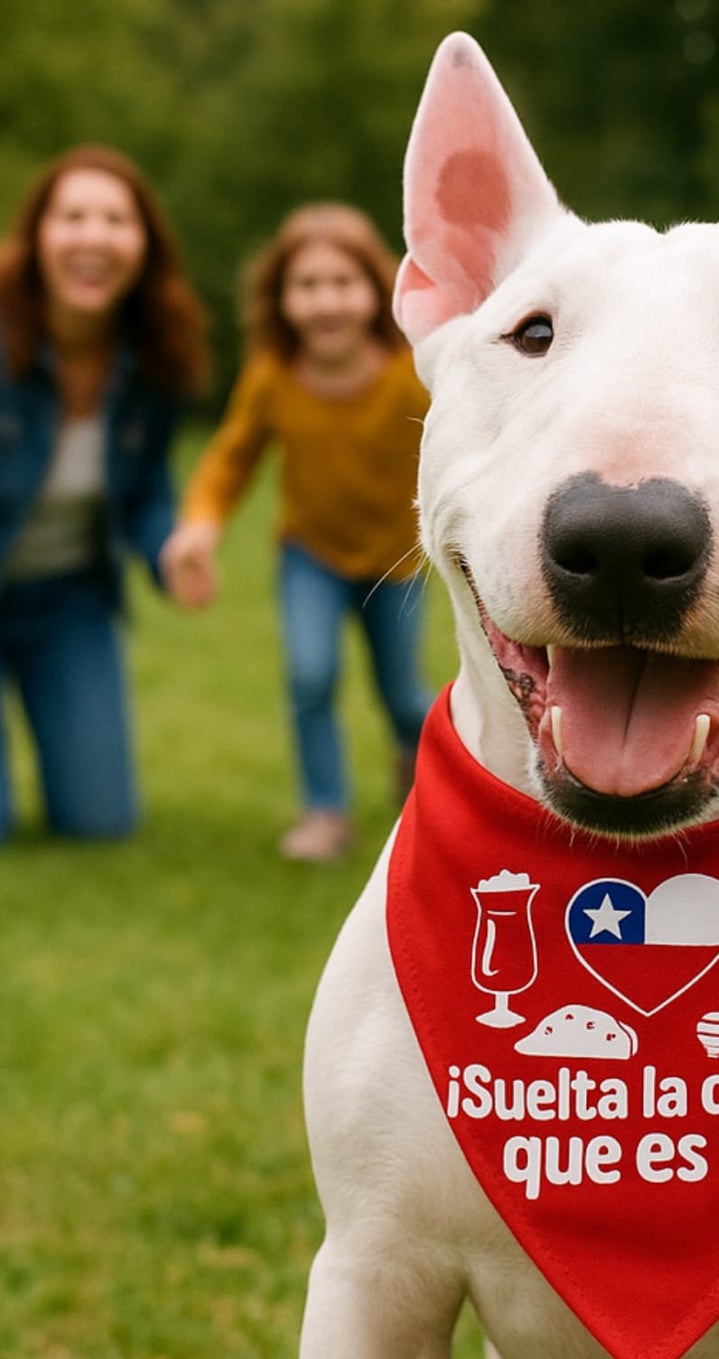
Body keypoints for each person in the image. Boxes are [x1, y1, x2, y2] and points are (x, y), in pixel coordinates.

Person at [162, 204, 432, 864]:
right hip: (310, 554)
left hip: (395, 559)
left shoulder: (411, 374)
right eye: (306, 286)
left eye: (342, 283)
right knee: (310, 676)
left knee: (402, 694)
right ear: (280, 299)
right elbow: (231, 456)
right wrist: (200, 525)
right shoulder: (273, 378)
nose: (325, 301)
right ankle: (325, 812)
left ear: (377, 290)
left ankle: (423, 773)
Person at [0, 145, 209, 843]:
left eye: (116, 219)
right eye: (74, 216)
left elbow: (145, 487)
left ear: (143, 244)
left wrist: (169, 548)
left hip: (67, 600)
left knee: (100, 823)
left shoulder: (152, 358)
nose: (94, 235)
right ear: (37, 238)